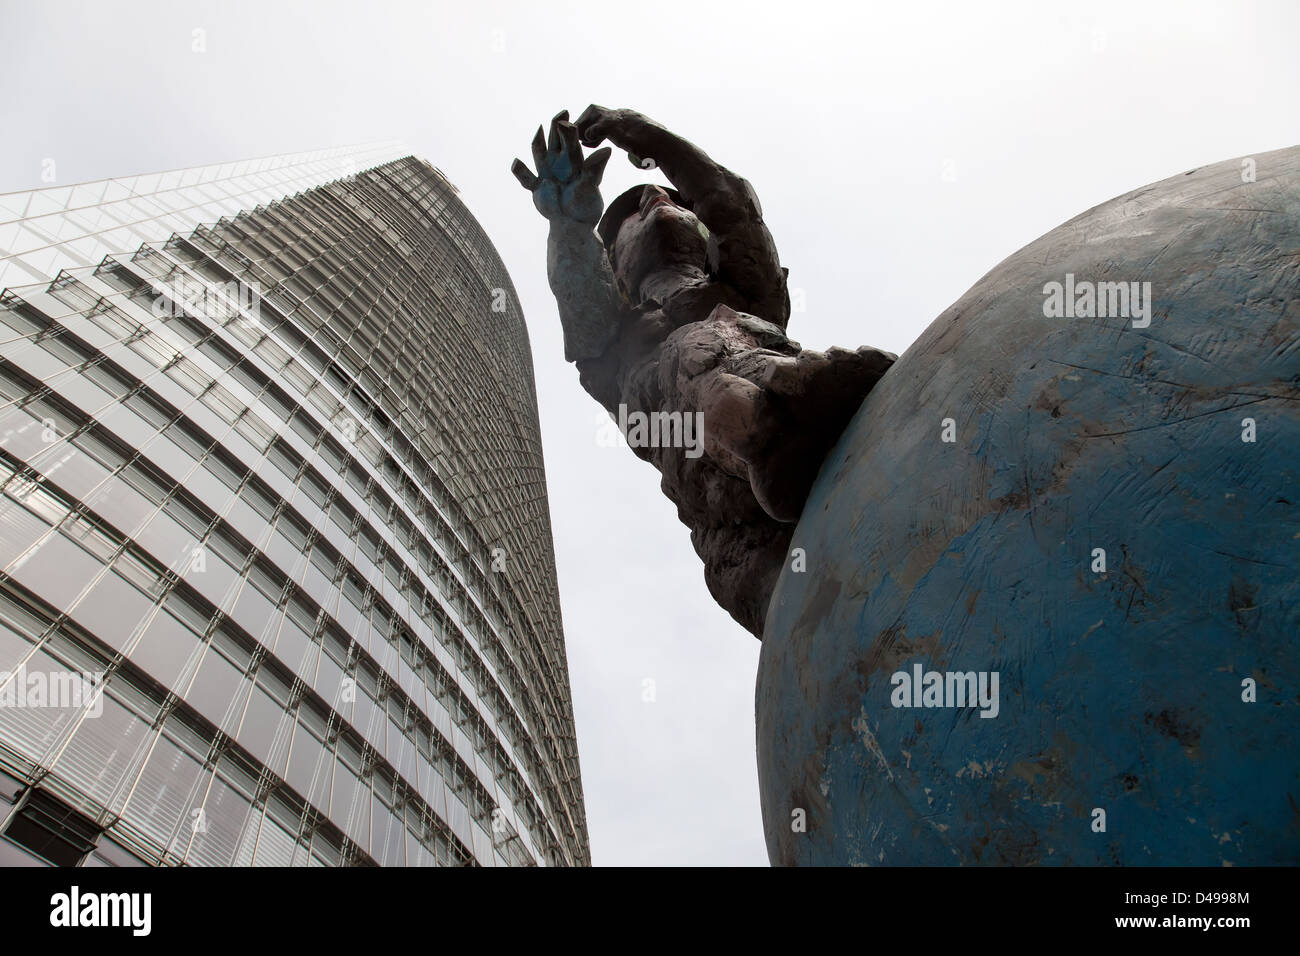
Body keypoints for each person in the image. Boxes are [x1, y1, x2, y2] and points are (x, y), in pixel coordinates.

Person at [512, 106, 894, 638]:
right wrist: (569, 229)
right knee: (796, 618)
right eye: (627, 219)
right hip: (724, 518)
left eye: (667, 197)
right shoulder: (615, 347)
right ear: (616, 269)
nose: (655, 198)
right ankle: (764, 425)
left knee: (707, 341)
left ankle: (775, 417)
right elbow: (580, 303)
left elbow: (730, 204)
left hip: (806, 424)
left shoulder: (737, 288)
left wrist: (644, 136)